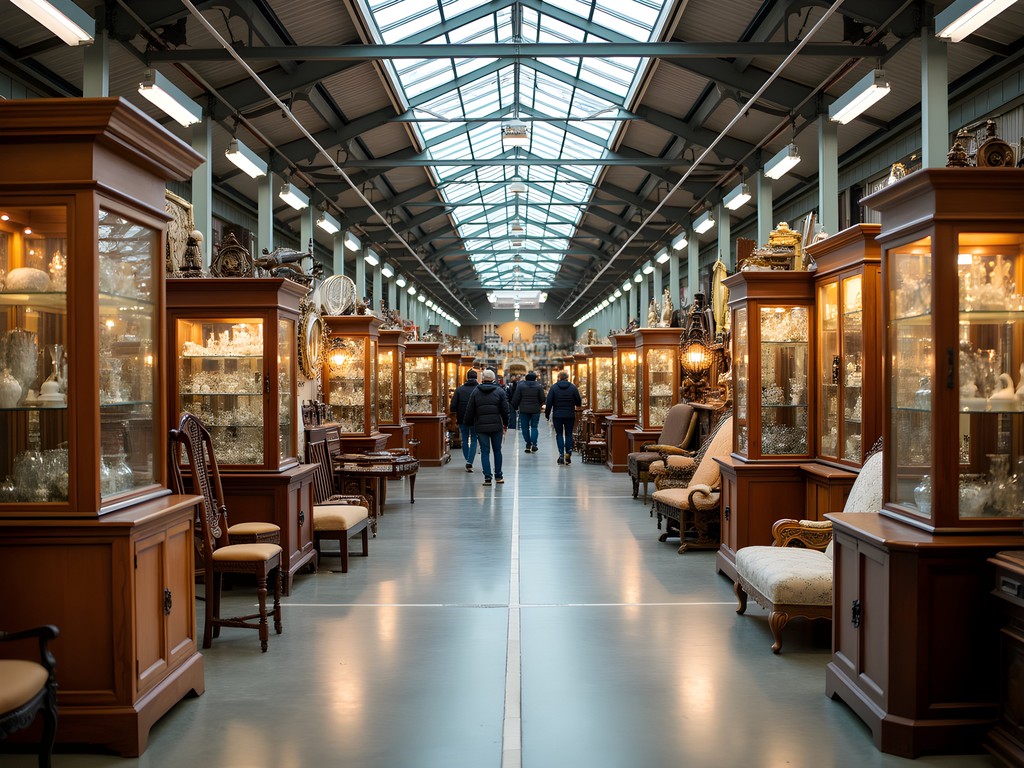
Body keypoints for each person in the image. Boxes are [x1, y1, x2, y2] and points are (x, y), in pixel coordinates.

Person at [463, 369, 510, 486]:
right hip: (496, 426)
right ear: (493, 379)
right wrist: (506, 424)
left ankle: (487, 478)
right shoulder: (500, 391)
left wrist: (468, 423)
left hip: (481, 426)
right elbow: (505, 410)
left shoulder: (476, 392)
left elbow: (470, 410)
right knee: (497, 450)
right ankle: (498, 476)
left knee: (485, 451)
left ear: (483, 378)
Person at [544, 370, 582, 465]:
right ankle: (568, 453)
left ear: (559, 377)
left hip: (557, 415)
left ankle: (561, 454)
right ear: (567, 377)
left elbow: (549, 402)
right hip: (570, 414)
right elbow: (578, 401)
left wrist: (547, 414)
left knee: (559, 434)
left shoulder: (554, 388)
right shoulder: (573, 387)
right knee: (569, 434)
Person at [449, 369, 479, 472]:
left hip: (462, 418)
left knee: (465, 439)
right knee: (474, 439)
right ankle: (470, 462)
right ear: (476, 378)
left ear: (467, 377)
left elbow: (452, 406)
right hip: (475, 418)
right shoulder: (479, 389)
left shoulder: (459, 390)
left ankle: (467, 460)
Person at [512, 371, 545, 453]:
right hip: (535, 410)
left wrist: (515, 407)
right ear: (535, 378)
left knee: (524, 428)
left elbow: (516, 398)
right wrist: (540, 405)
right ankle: (534, 444)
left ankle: (528, 444)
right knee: (534, 427)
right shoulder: (539, 386)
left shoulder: (520, 386)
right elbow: (542, 398)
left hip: (524, 410)